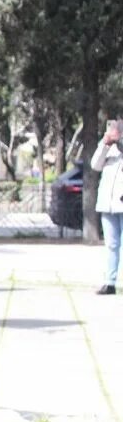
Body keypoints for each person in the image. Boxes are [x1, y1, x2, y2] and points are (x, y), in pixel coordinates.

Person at [92, 119, 123, 295]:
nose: (112, 132)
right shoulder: (108, 147)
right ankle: (110, 282)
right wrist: (105, 144)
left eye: (116, 130)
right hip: (108, 204)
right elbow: (95, 165)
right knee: (111, 244)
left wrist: (119, 142)